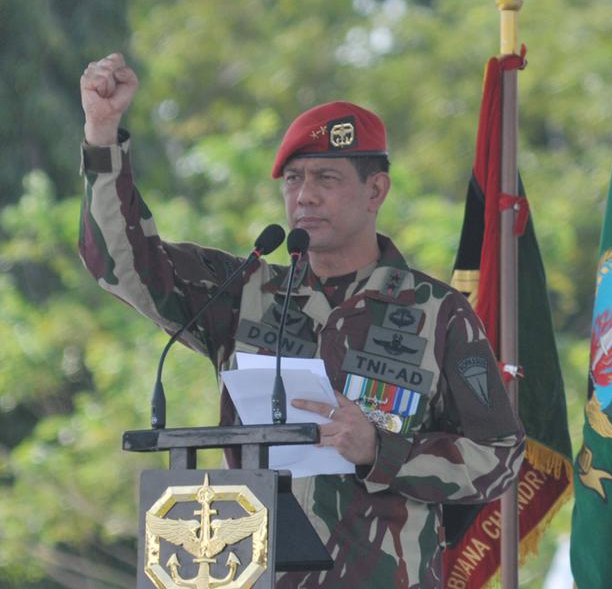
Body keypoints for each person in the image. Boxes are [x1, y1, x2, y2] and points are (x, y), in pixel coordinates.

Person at [78, 53, 524, 588]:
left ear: (376, 191)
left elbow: (501, 457)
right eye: (293, 179)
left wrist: (380, 450)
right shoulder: (243, 290)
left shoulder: (437, 313)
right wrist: (102, 135)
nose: (304, 195)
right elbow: (122, 264)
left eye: (325, 178)